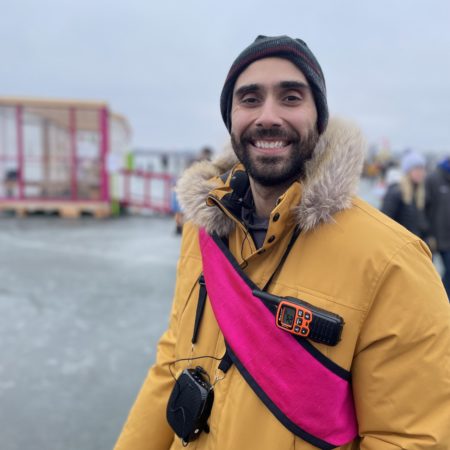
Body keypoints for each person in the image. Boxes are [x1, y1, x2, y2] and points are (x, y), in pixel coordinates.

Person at [114, 35, 450, 450]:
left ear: (319, 118)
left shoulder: (391, 261)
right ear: (230, 117)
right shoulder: (201, 233)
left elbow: (407, 438)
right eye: (249, 99)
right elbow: (170, 366)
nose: (268, 116)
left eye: (290, 97)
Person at [380, 150, 428, 239]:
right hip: (401, 246)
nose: (420, 172)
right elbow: (384, 221)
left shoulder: (417, 193)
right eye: (416, 168)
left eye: (422, 168)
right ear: (407, 171)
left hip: (414, 246)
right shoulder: (396, 192)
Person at [426, 156, 450, 298]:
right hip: (435, 236)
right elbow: (424, 207)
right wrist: (429, 234)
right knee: (430, 273)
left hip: (448, 238)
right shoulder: (433, 179)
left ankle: (444, 300)